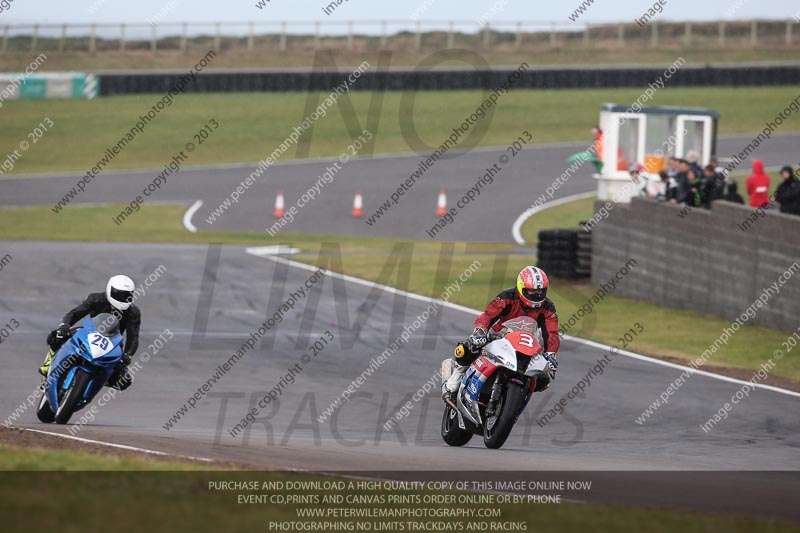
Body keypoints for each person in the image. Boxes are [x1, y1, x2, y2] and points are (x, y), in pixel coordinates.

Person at [442, 266, 559, 399]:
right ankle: (458, 371)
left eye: (540, 291)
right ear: (522, 288)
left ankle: (518, 399)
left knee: (544, 380)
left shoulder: (548, 308)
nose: (537, 295)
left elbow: (552, 333)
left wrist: (551, 354)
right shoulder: (507, 297)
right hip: (498, 338)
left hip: (526, 346)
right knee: (466, 349)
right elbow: (488, 315)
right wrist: (480, 330)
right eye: (532, 291)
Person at [39, 275, 141, 391]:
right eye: (119, 294)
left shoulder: (133, 312)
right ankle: (47, 368)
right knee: (56, 337)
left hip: (113, 343)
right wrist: (65, 326)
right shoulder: (96, 299)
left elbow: (133, 337)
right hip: (88, 333)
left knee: (124, 381)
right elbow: (76, 313)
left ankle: (97, 381)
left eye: (126, 295)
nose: (122, 298)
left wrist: (127, 355)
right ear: (109, 290)